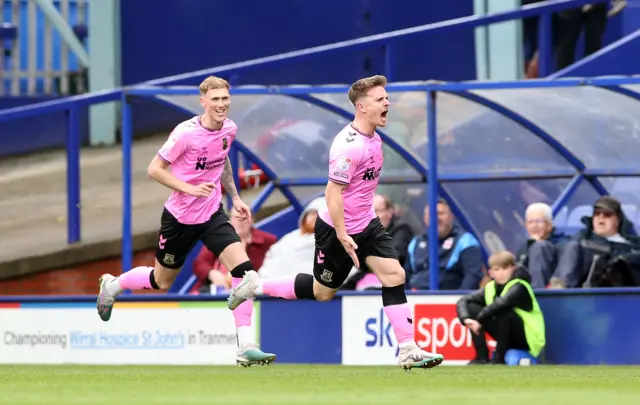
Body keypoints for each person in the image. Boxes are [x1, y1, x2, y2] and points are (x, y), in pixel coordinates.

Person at [227, 75, 444, 370]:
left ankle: (408, 349)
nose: (387, 103)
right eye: (381, 99)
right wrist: (341, 233)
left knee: (394, 275)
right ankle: (256, 285)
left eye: (386, 98)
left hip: (366, 224)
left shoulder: (376, 139)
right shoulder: (348, 146)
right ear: (362, 106)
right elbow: (332, 192)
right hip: (336, 230)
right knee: (322, 292)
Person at [96, 76, 276, 367]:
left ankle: (246, 346)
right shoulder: (185, 134)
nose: (221, 105)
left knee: (244, 272)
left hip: (212, 213)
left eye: (225, 99)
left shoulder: (229, 128)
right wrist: (189, 188)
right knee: (161, 281)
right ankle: (113, 286)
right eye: (215, 99)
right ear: (203, 101)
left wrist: (236, 198)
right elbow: (155, 169)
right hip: (179, 218)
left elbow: (222, 160)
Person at [456, 251, 545, 365]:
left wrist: (479, 320)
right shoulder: (490, 287)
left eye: (505, 268)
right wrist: (466, 319)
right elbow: (463, 301)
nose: (501, 273)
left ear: (513, 268)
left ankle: (499, 358)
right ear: (491, 273)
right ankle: (481, 358)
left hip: (529, 339)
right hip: (507, 335)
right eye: (497, 270)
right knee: (472, 307)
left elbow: (503, 303)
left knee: (502, 310)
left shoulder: (520, 285)